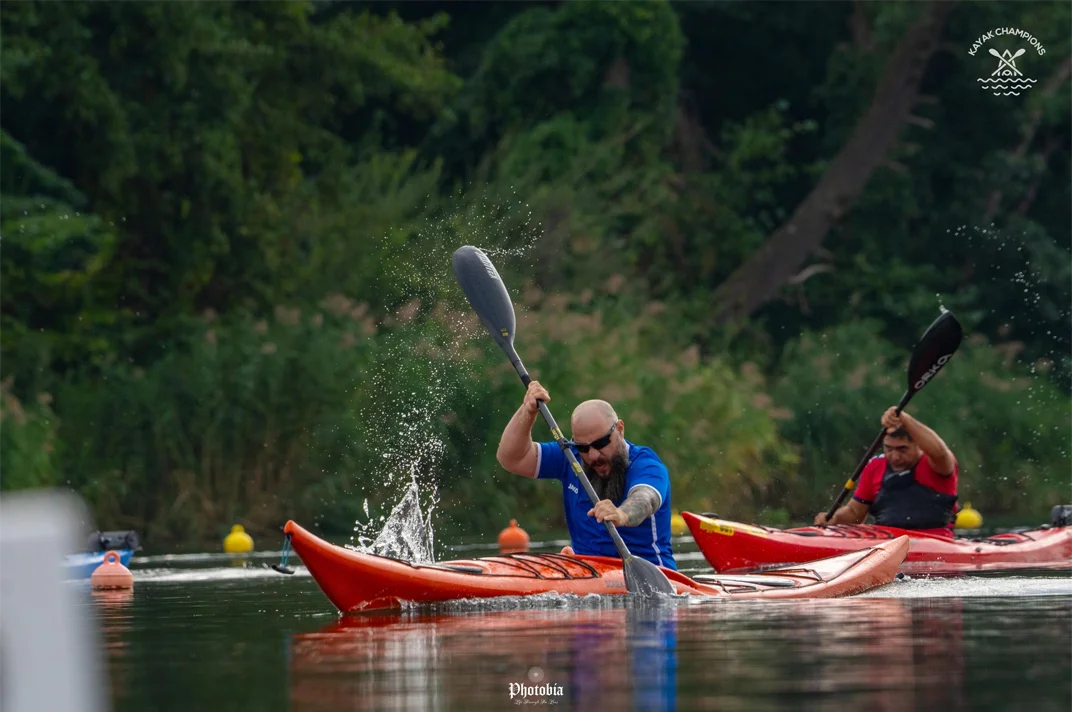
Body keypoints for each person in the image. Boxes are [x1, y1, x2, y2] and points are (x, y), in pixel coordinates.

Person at [496, 380, 676, 570]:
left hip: (651, 578)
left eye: (601, 443)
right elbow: (511, 458)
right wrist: (528, 412)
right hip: (586, 574)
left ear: (620, 429)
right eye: (583, 447)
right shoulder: (570, 457)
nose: (593, 455)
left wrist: (621, 514)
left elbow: (645, 499)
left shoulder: (646, 465)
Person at [814, 407, 958, 537]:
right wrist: (834, 519)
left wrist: (905, 419)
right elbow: (855, 513)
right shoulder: (875, 466)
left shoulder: (937, 464)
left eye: (902, 449)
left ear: (918, 445)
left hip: (934, 541)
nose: (895, 457)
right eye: (889, 448)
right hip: (887, 542)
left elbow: (940, 452)